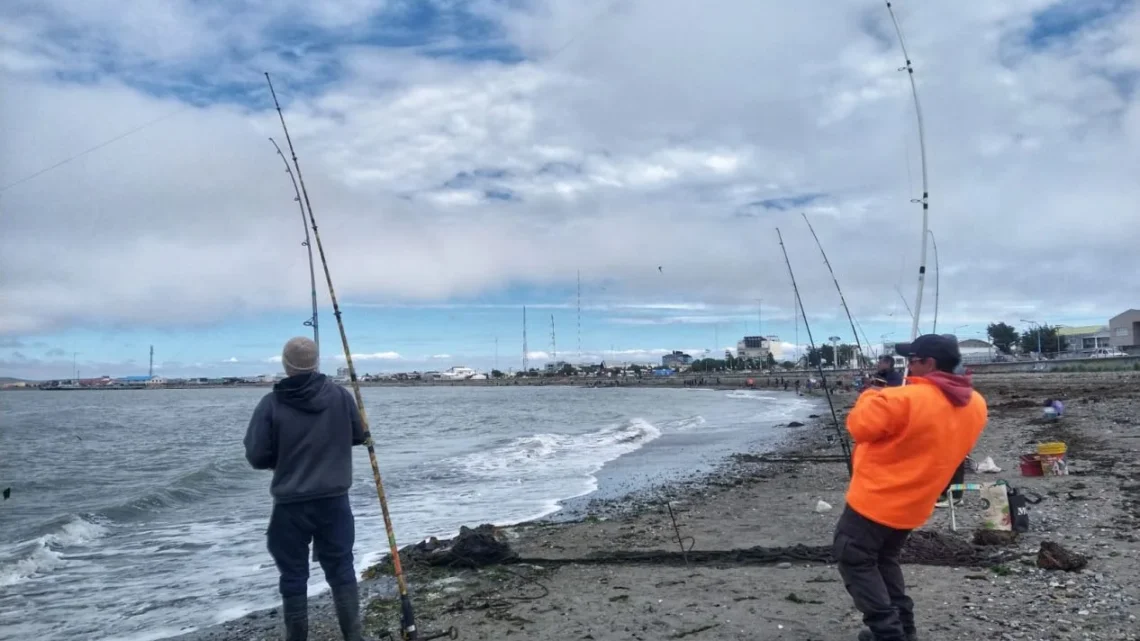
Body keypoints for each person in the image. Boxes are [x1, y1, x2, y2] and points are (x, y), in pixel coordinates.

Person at [835, 334, 988, 641]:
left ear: (928, 363)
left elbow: (858, 426)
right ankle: (905, 630)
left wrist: (869, 395)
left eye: (911, 361)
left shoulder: (902, 400)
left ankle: (889, 634)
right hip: (916, 504)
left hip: (875, 500)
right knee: (883, 559)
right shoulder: (976, 403)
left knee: (854, 556)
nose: (908, 367)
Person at [244, 337, 369, 641]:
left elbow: (256, 456)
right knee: (341, 568)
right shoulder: (341, 396)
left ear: (286, 364)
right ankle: (354, 636)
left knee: (293, 576)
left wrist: (283, 458)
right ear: (316, 362)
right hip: (335, 502)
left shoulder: (271, 403)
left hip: (291, 505)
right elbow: (359, 435)